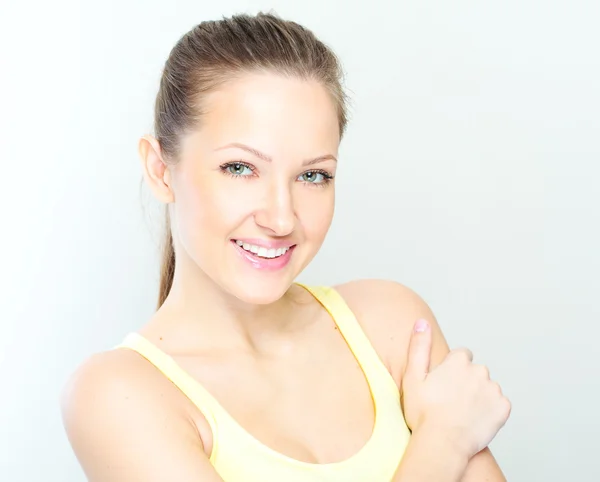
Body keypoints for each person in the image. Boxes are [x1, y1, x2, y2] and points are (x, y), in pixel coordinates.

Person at [61, 12, 511, 482]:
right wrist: (443, 441)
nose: (281, 218)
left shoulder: (392, 326)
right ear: (160, 170)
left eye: (313, 175)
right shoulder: (119, 396)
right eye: (239, 168)